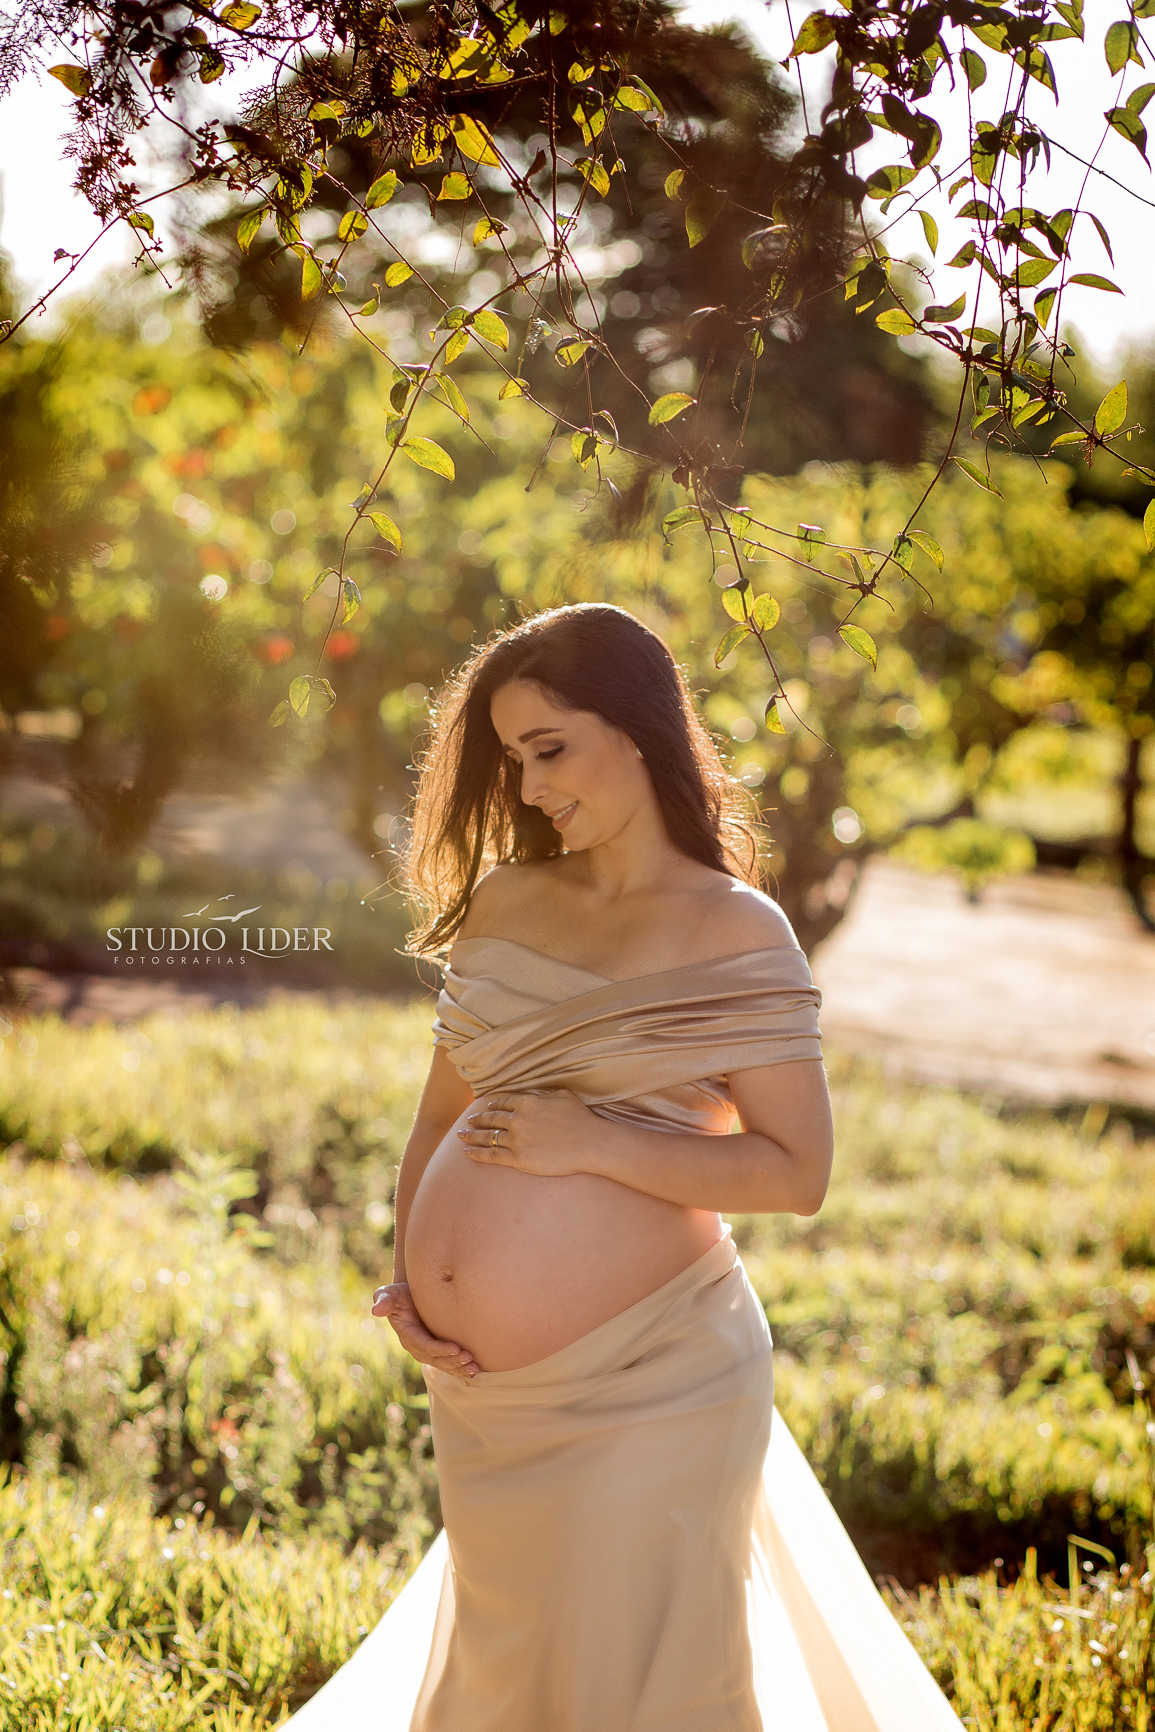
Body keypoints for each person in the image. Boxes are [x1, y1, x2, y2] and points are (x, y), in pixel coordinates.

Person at [284, 603, 963, 1732]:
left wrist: (596, 1141)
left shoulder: (738, 931)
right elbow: (437, 1117)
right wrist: (413, 1279)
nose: (533, 784)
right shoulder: (507, 903)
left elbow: (798, 1172)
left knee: (635, 1684)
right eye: (514, 759)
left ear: (640, 727)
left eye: (551, 748)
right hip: (489, 1399)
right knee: (512, 1682)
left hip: (660, 1380)